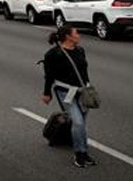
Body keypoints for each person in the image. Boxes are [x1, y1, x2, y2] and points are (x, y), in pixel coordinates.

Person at [42, 26, 96, 168]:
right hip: (65, 92)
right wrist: (47, 93)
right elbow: (49, 76)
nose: (78, 35)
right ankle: (80, 154)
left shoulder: (80, 50)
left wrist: (88, 88)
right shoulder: (53, 54)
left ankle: (84, 152)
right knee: (77, 122)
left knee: (81, 123)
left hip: (83, 92)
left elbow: (84, 71)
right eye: (76, 33)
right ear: (68, 37)